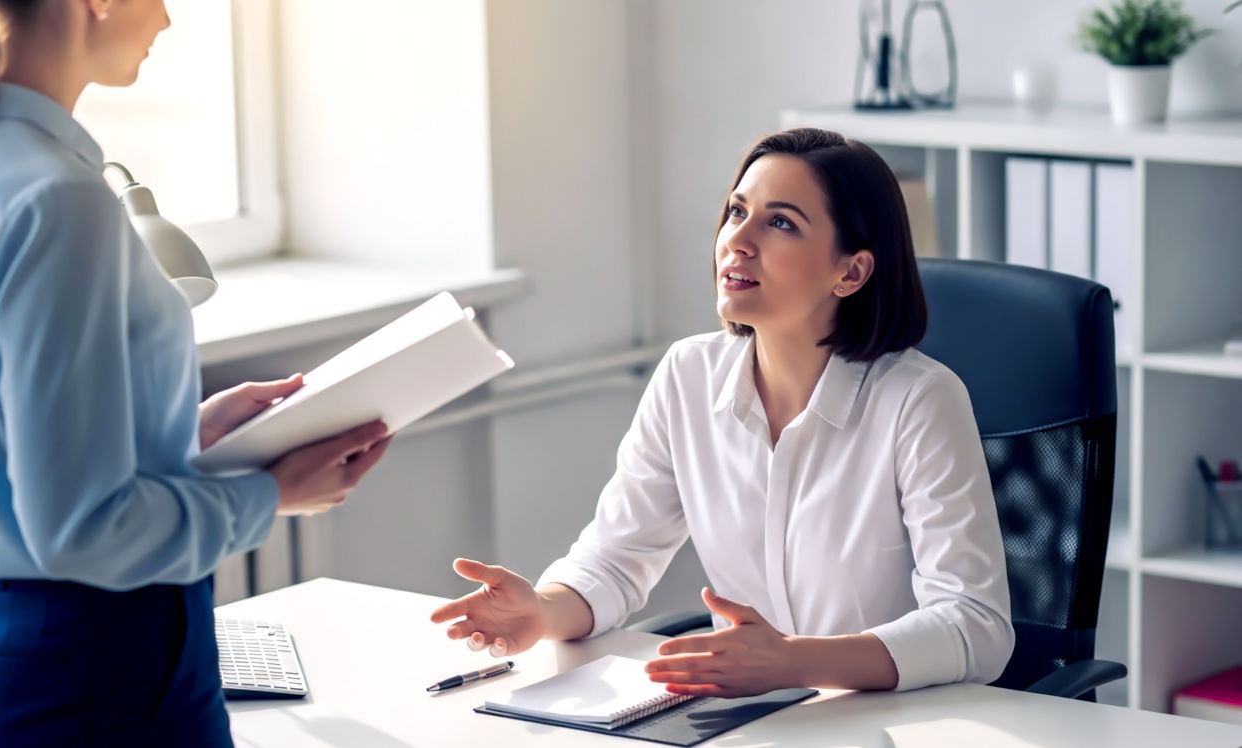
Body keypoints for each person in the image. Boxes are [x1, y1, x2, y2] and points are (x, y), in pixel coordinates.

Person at [0, 1, 392, 744]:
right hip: (98, 664)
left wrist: (182, 436)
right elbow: (80, 529)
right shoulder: (58, 199)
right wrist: (267, 493)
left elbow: (21, 447)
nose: (164, 19)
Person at [431, 127, 1014, 696]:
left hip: (896, 724)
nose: (739, 240)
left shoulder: (918, 400)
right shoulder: (688, 376)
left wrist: (792, 662)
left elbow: (974, 625)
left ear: (851, 271)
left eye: (781, 222)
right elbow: (615, 556)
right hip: (748, 719)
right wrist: (543, 611)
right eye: (737, 212)